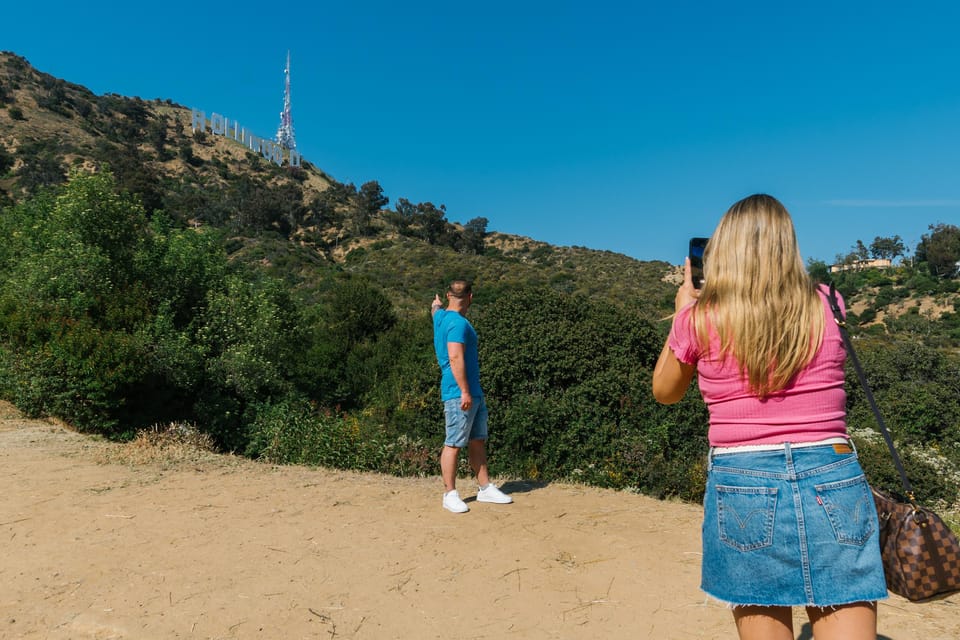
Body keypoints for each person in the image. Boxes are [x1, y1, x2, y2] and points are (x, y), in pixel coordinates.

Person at [652, 195, 886, 640]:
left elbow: (664, 392)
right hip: (833, 471)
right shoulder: (829, 302)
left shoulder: (700, 318)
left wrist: (684, 312)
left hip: (742, 477)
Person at [431, 280, 513, 513]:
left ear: (448, 295)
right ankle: (450, 494)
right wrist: (465, 390)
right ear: (471, 297)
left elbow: (435, 312)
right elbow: (455, 357)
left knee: (477, 439)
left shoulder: (441, 318)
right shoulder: (458, 324)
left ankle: (485, 488)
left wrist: (436, 306)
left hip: (471, 391)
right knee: (454, 442)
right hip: (460, 392)